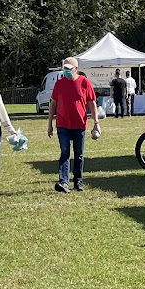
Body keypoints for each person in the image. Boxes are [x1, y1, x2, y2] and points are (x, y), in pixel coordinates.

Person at [47, 55, 100, 193]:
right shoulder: (59, 84)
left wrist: (96, 123)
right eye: (65, 68)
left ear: (76, 69)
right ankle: (63, 182)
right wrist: (49, 124)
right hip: (62, 124)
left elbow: (92, 103)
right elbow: (53, 104)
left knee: (79, 155)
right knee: (64, 153)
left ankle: (78, 182)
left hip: (79, 124)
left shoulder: (84, 83)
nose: (66, 71)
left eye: (69, 69)